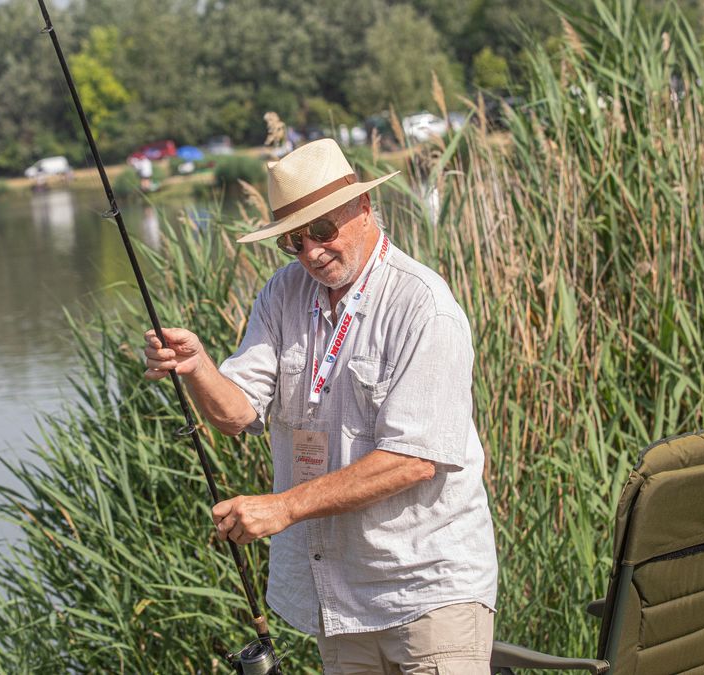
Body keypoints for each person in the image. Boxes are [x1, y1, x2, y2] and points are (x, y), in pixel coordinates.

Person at [143, 138, 497, 673]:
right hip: (339, 602)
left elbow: (414, 459)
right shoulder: (283, 293)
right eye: (293, 240)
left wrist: (283, 507)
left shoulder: (423, 306)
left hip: (428, 595)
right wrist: (198, 368)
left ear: (363, 207)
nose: (310, 251)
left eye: (323, 231)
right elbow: (237, 414)